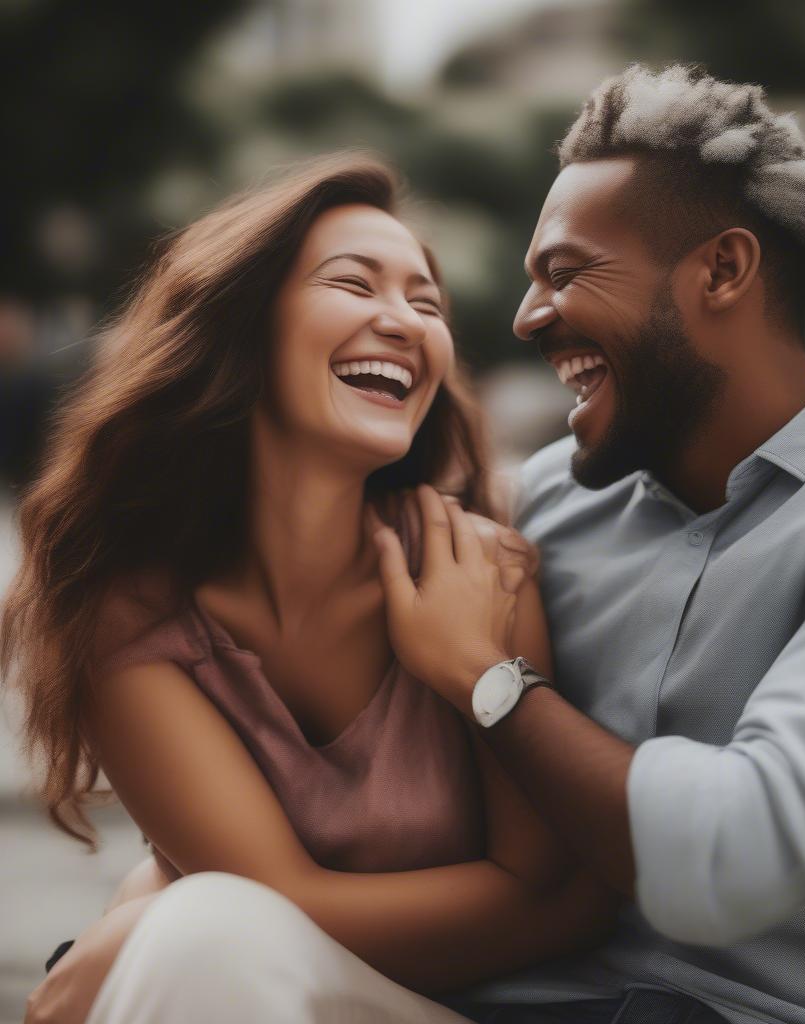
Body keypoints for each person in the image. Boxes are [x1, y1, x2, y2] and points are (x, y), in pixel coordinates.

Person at [32, 65, 805, 1024]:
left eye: (565, 274)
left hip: (737, 1009)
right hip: (466, 1004)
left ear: (722, 270)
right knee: (204, 940)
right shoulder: (523, 511)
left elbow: (733, 856)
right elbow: (278, 806)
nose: (524, 316)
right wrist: (146, 915)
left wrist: (486, 679)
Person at [1, 153, 620, 1024]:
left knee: (199, 934)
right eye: (354, 284)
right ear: (243, 327)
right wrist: (171, 919)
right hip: (232, 990)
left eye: (426, 303)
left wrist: (139, 929)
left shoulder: (477, 573)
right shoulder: (127, 618)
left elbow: (566, 900)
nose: (402, 322)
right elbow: (267, 905)